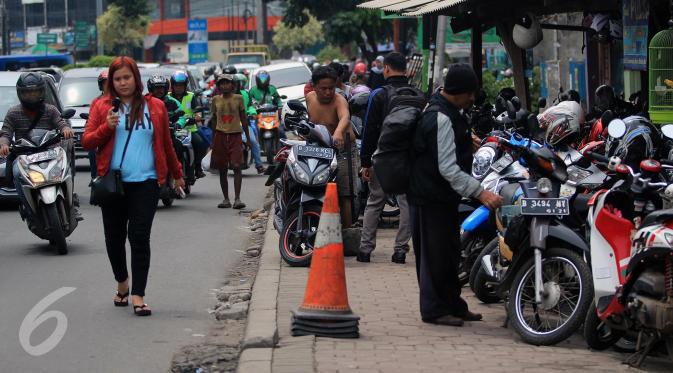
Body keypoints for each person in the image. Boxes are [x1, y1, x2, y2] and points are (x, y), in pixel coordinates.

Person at [81, 56, 185, 317]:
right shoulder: (101, 105)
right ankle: (122, 281)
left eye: (127, 77)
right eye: (117, 79)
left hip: (146, 183)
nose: (122, 83)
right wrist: (107, 126)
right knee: (114, 240)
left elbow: (166, 144)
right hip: (113, 184)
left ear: (136, 78)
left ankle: (138, 294)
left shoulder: (156, 106)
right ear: (111, 82)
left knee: (139, 237)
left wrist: (177, 174)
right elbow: (87, 142)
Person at [408, 63, 502, 326]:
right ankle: (434, 310)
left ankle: (454, 305)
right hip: (429, 197)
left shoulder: (450, 111)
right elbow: (448, 168)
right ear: (459, 91)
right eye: (470, 93)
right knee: (433, 257)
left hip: (443, 197)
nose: (473, 98)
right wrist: (481, 192)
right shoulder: (440, 116)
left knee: (449, 253)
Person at [358, 52, 413, 264]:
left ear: (387, 69)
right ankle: (400, 251)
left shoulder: (378, 95)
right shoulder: (417, 94)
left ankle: (365, 250)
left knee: (375, 201)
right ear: (406, 69)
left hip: (381, 157)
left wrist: (365, 162)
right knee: (406, 202)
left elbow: (369, 130)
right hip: (408, 158)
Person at [0, 72, 76, 214]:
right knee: (16, 173)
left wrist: (66, 129)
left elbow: (61, 122)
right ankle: (25, 206)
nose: (31, 96)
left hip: (51, 152)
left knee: (66, 169)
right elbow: (6, 133)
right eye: (27, 92)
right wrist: (4, 144)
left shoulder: (50, 110)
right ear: (20, 93)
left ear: (42, 92)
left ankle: (71, 201)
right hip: (24, 156)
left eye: (35, 92)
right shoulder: (13, 113)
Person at [305, 66, 358, 228]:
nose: (328, 92)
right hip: (321, 148)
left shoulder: (339, 100)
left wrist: (338, 133)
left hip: (343, 150)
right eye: (323, 89)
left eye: (331, 88)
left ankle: (347, 231)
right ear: (314, 87)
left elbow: (345, 117)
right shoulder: (309, 98)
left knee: (344, 193)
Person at [209, 74, 252, 209]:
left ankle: (237, 198)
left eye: (227, 83)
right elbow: (214, 120)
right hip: (220, 136)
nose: (224, 86)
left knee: (237, 166)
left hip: (235, 135)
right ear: (218, 86)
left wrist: (248, 138)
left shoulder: (238, 98)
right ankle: (226, 199)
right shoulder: (215, 99)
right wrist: (212, 139)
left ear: (232, 85)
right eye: (221, 83)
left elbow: (244, 119)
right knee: (222, 168)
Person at [169, 70, 208, 179]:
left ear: (185, 85)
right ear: (172, 85)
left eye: (181, 85)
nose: (179, 88)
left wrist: (197, 117)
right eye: (176, 85)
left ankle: (197, 167)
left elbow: (197, 110)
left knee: (200, 143)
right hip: (172, 129)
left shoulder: (191, 96)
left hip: (190, 129)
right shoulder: (167, 97)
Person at [234, 73, 265, 174]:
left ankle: (259, 165)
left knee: (253, 142)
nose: (235, 86)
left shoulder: (246, 94)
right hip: (229, 125)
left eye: (237, 84)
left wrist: (252, 113)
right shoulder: (224, 96)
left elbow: (250, 106)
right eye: (233, 84)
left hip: (244, 124)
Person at [87, 70, 109, 180]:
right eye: (106, 83)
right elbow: (91, 124)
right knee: (92, 149)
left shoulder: (123, 100)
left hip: (118, 137)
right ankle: (95, 177)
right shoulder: (96, 102)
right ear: (101, 86)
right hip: (101, 136)